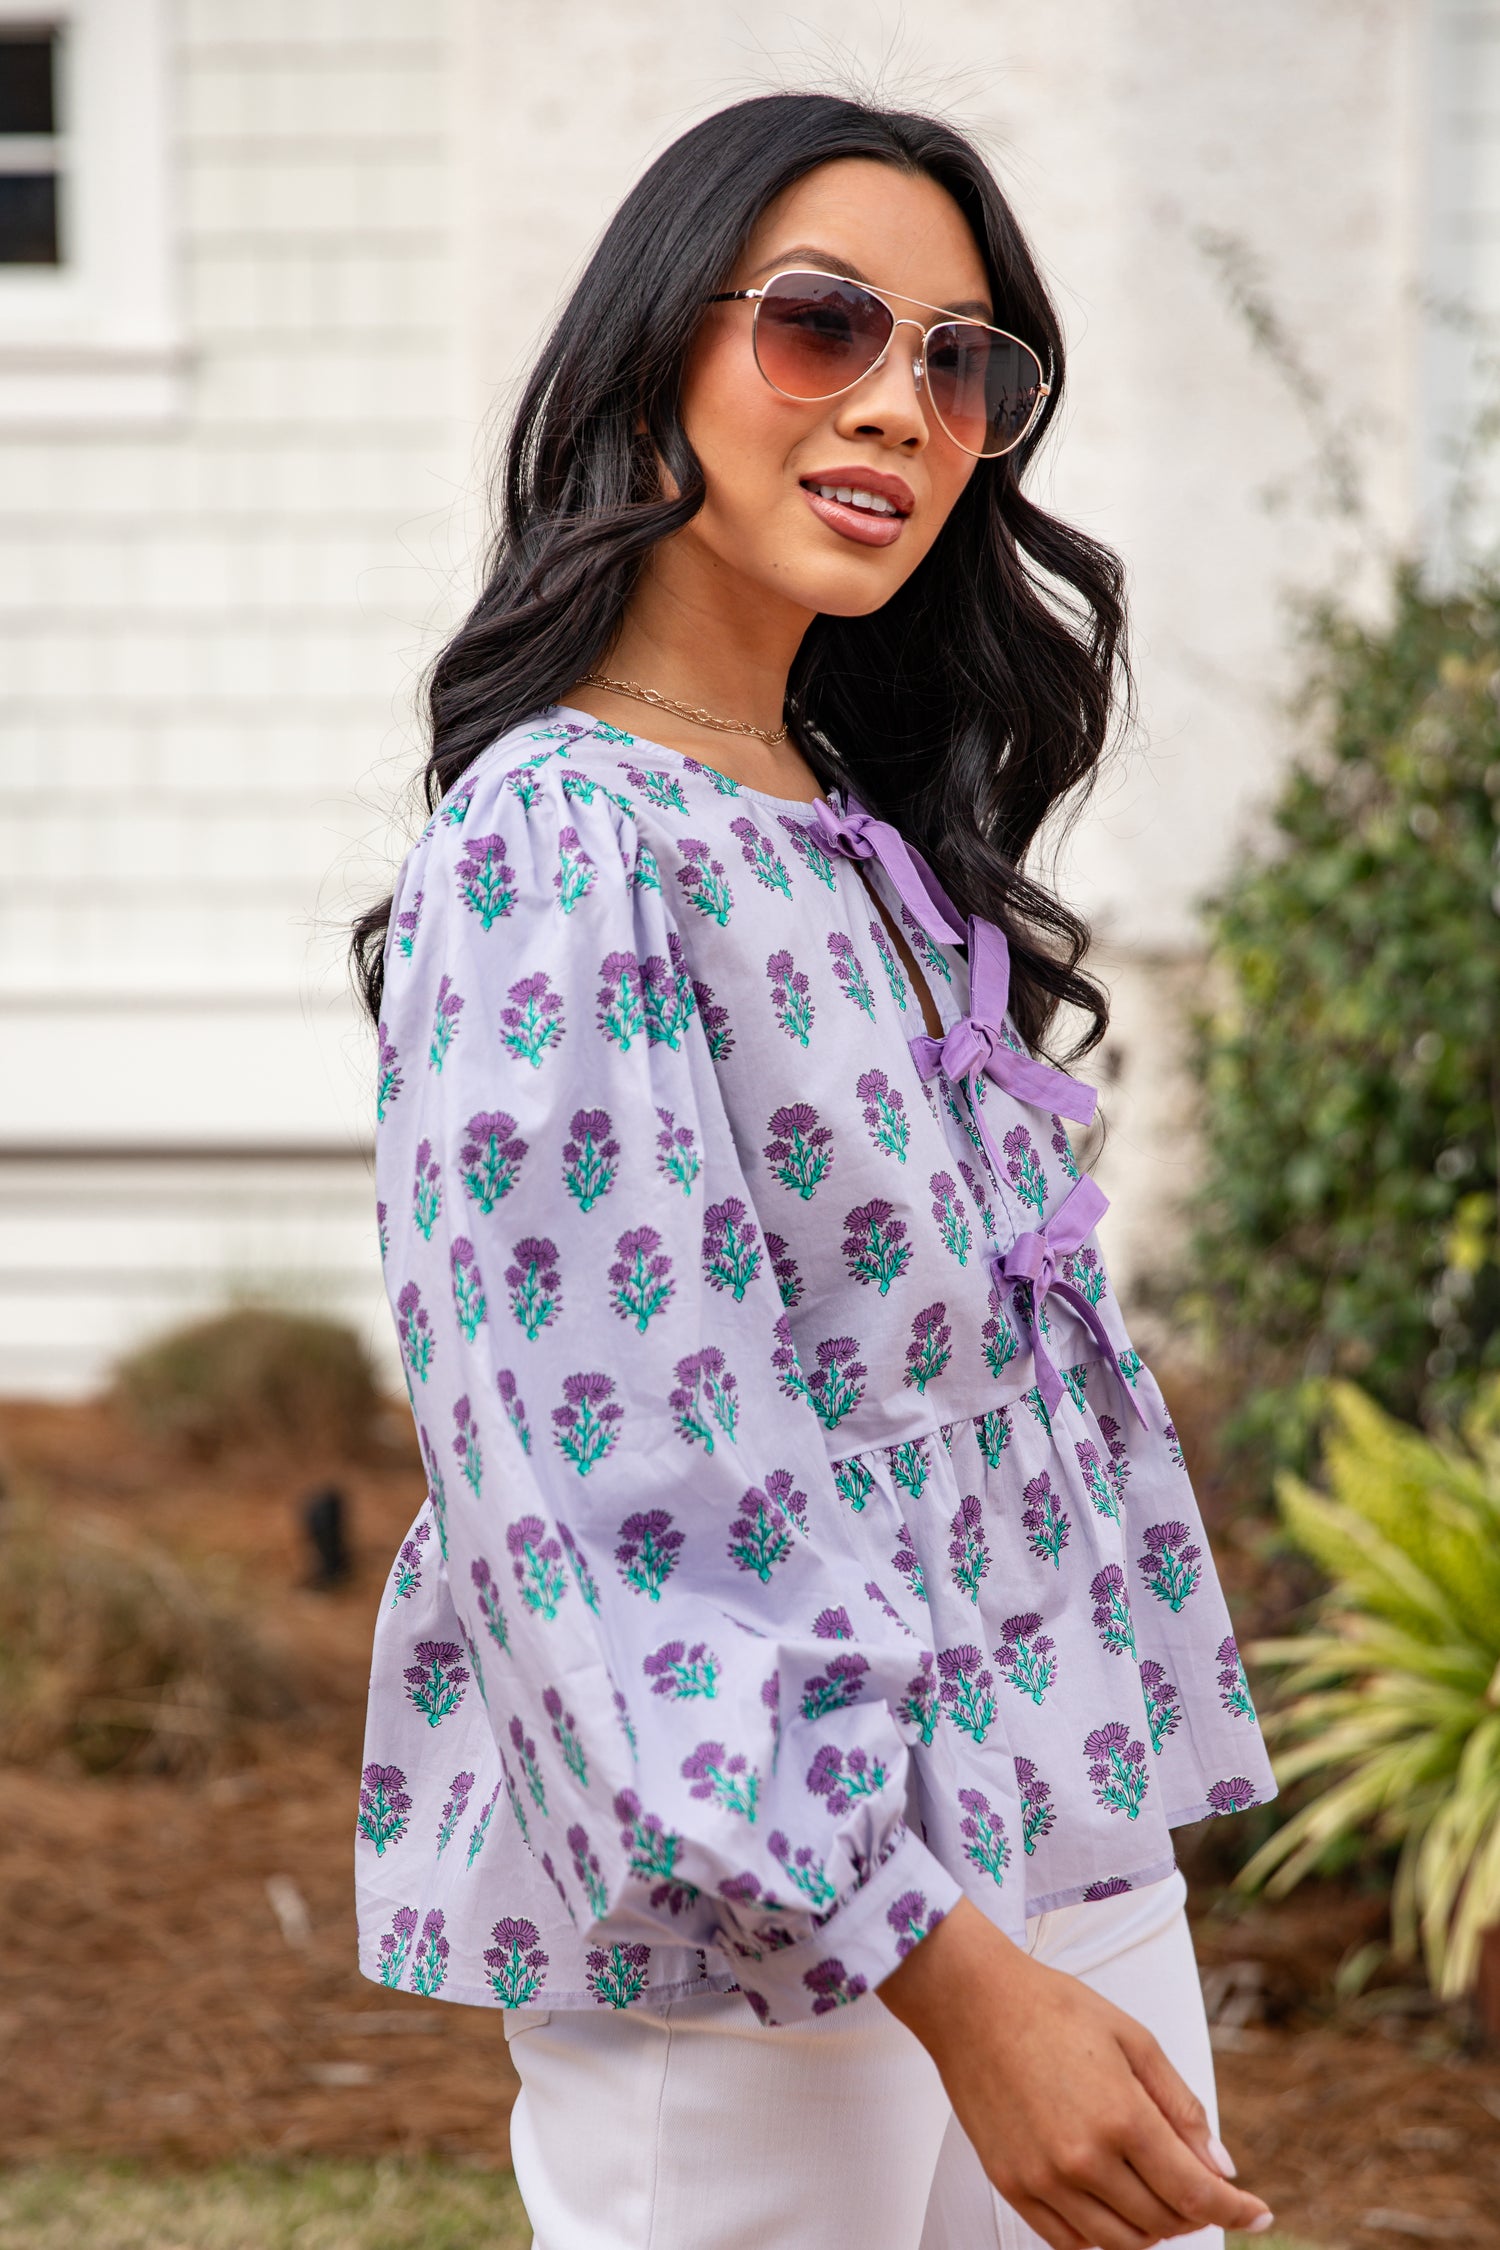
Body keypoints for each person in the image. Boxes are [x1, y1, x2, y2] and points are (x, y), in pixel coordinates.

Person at [349, 89, 1279, 2250]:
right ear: (655, 348)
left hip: (1055, 1813)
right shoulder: (558, 847)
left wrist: (1054, 1906)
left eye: (965, 363)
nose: (904, 407)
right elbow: (609, 1496)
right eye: (823, 328)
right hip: (781, 1929)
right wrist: (945, 1974)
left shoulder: (846, 810)